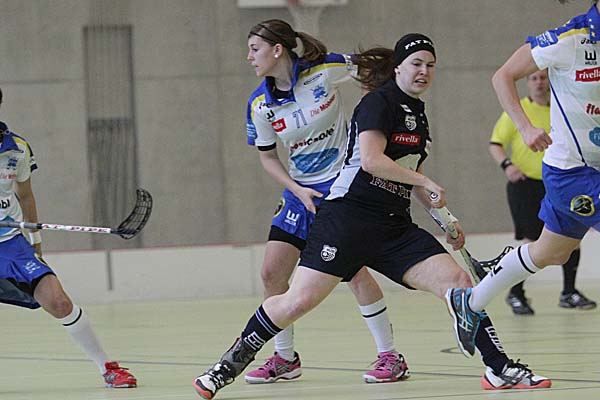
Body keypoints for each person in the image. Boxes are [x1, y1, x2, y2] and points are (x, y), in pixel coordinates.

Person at [193, 33, 551, 400]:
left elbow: (412, 174)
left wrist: (445, 219)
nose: (424, 71)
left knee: (459, 284)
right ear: (397, 68)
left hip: (393, 227)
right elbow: (371, 160)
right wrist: (424, 180)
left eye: (430, 65)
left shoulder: (417, 114)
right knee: (296, 301)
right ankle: (225, 367)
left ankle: (499, 368)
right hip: (347, 220)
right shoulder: (377, 103)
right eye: (416, 64)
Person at [243, 19, 407, 384]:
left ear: (277, 50)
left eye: (254, 49)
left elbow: (376, 69)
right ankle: (285, 358)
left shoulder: (325, 70)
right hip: (299, 192)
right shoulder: (260, 105)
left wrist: (381, 114)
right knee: (271, 273)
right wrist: (296, 189)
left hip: (341, 188)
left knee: (354, 271)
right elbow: (267, 157)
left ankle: (390, 356)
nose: (249, 57)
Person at [448, 0, 600, 360]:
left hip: (592, 169)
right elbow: (502, 76)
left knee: (551, 252)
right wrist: (525, 127)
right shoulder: (568, 38)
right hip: (572, 172)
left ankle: (471, 301)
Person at [0, 87, 137, 388]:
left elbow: (26, 196)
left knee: (58, 301)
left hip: (10, 243)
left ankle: (107, 368)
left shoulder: (17, 148)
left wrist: (36, 244)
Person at [489, 69, 596, 315]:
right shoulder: (519, 111)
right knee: (533, 240)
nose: (539, 82)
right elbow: (495, 144)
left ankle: (569, 292)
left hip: (560, 185)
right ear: (527, 83)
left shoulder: (560, 109)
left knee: (572, 238)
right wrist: (507, 165)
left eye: (543, 77)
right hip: (526, 185)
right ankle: (516, 293)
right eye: (534, 78)